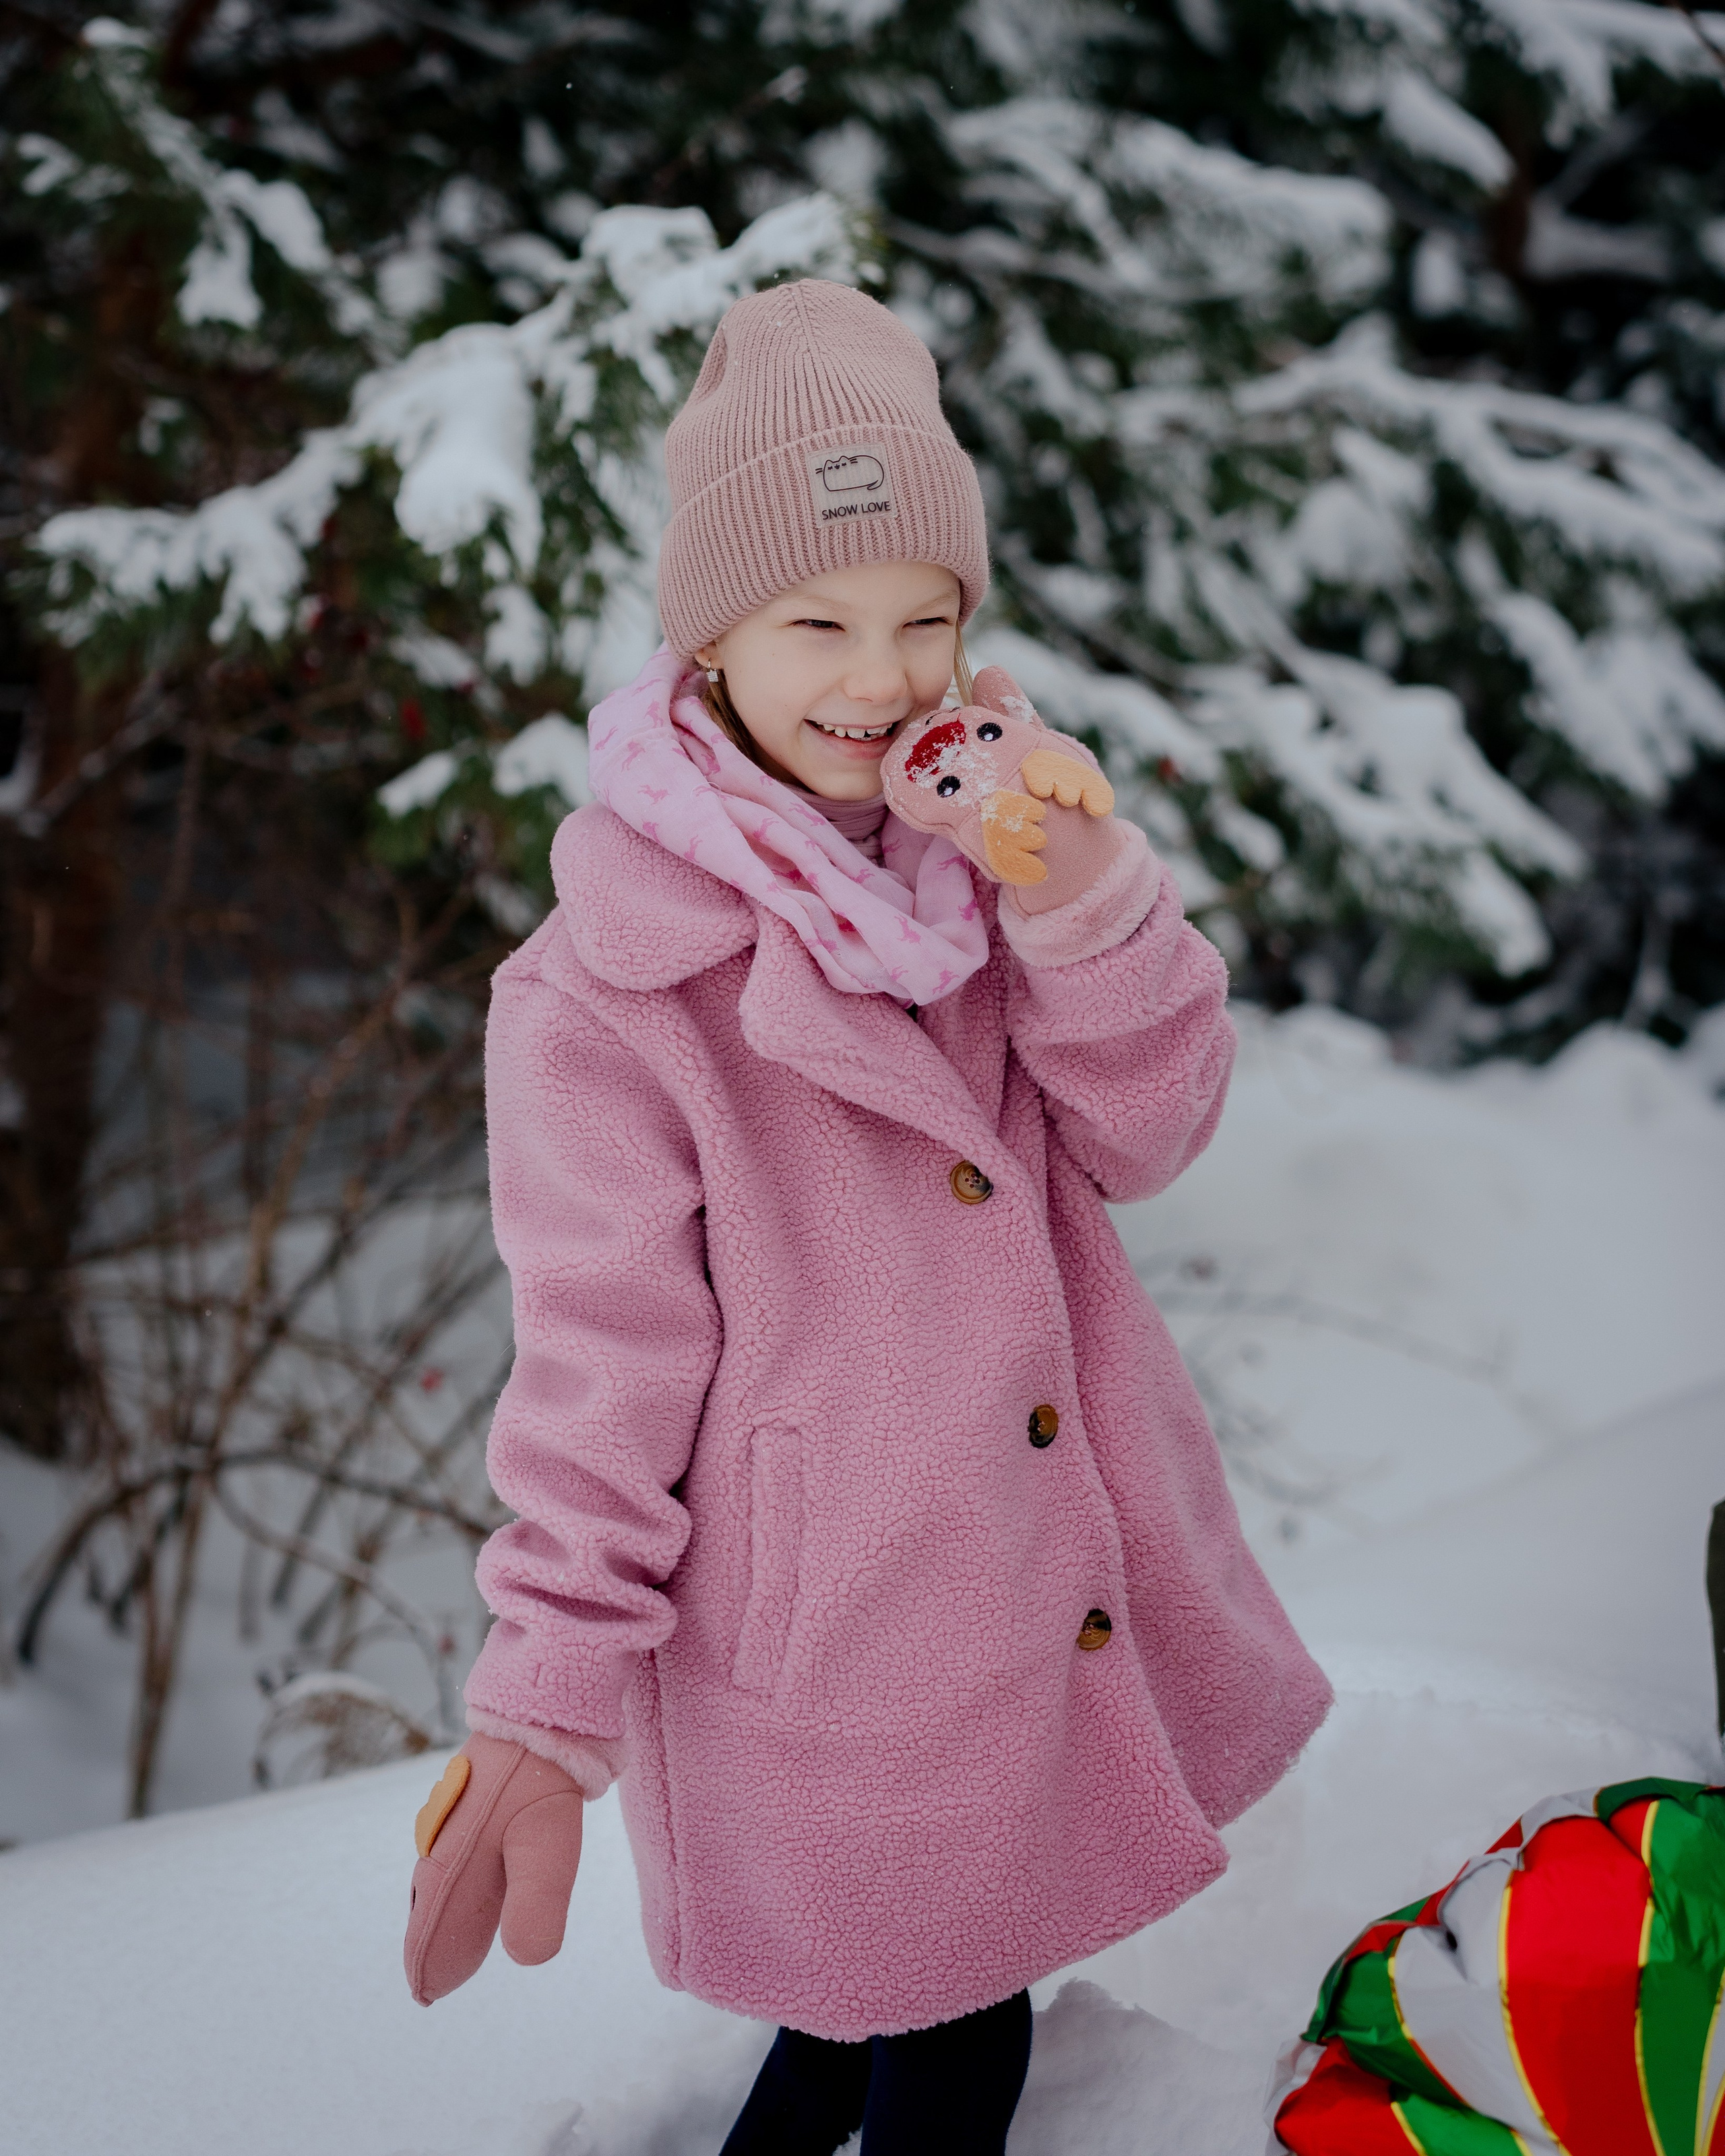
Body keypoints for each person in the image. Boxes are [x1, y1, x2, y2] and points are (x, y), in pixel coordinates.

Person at [401, 278, 1332, 2155]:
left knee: (886, 2004)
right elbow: (603, 1374)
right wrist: (547, 1697)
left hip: (1029, 1559)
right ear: (710, 641)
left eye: (928, 618)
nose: (883, 676)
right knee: (942, 2020)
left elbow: (1149, 1135)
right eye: (818, 619)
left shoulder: (995, 855)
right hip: (840, 1627)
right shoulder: (607, 992)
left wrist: (1083, 908)